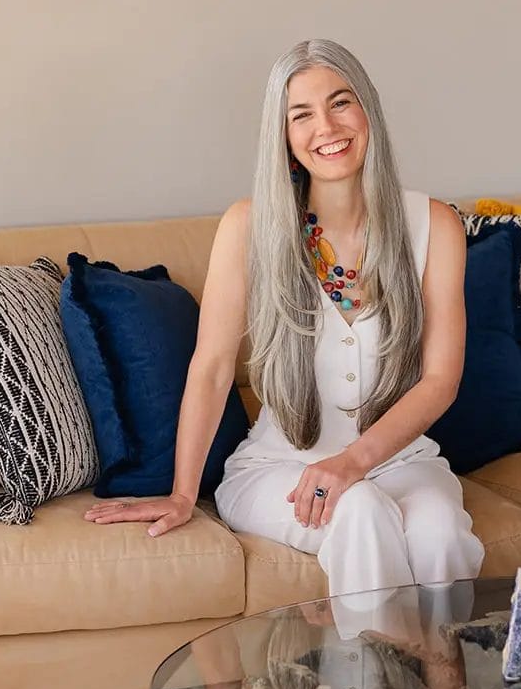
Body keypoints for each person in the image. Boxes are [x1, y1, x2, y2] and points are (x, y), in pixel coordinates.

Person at [85, 38, 484, 599]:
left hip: (401, 461)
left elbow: (440, 380)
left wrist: (352, 462)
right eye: (302, 114)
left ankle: (446, 684)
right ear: (285, 136)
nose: (326, 126)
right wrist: (182, 493)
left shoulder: (435, 225)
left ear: (368, 109)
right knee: (360, 510)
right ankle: (376, 687)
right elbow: (213, 367)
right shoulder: (250, 226)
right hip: (278, 466)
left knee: (441, 534)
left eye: (341, 102)